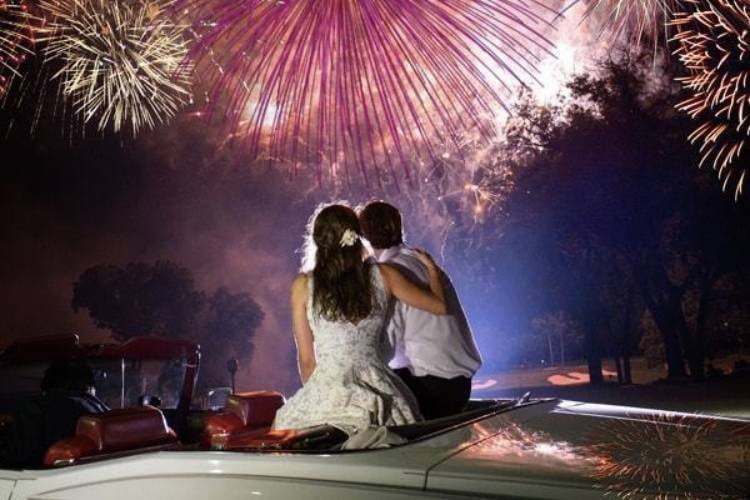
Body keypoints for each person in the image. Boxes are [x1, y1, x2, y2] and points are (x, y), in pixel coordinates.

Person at [272, 204, 447, 437]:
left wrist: (318, 396)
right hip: (379, 388)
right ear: (357, 236)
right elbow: (439, 306)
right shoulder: (384, 275)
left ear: (318, 241)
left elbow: (306, 361)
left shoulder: (303, 286)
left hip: (327, 388)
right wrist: (432, 270)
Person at [359, 201, 482, 420]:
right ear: (399, 227)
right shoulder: (422, 261)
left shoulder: (387, 274)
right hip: (461, 385)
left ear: (364, 237)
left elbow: (387, 345)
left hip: (432, 388)